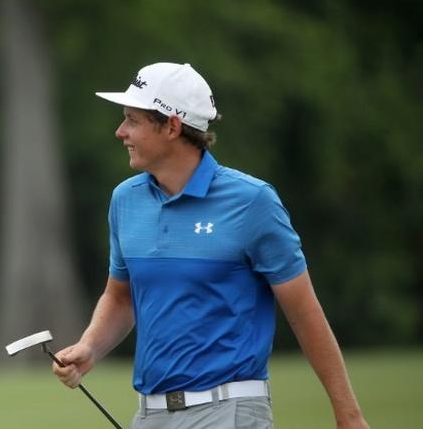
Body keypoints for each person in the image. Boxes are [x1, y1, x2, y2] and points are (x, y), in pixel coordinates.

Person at [51, 62, 368, 429]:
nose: (120, 131)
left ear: (171, 125)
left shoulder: (252, 202)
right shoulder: (126, 200)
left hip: (229, 411)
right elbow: (121, 297)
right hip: (149, 414)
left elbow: (304, 313)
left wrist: (349, 415)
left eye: (132, 120)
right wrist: (90, 346)